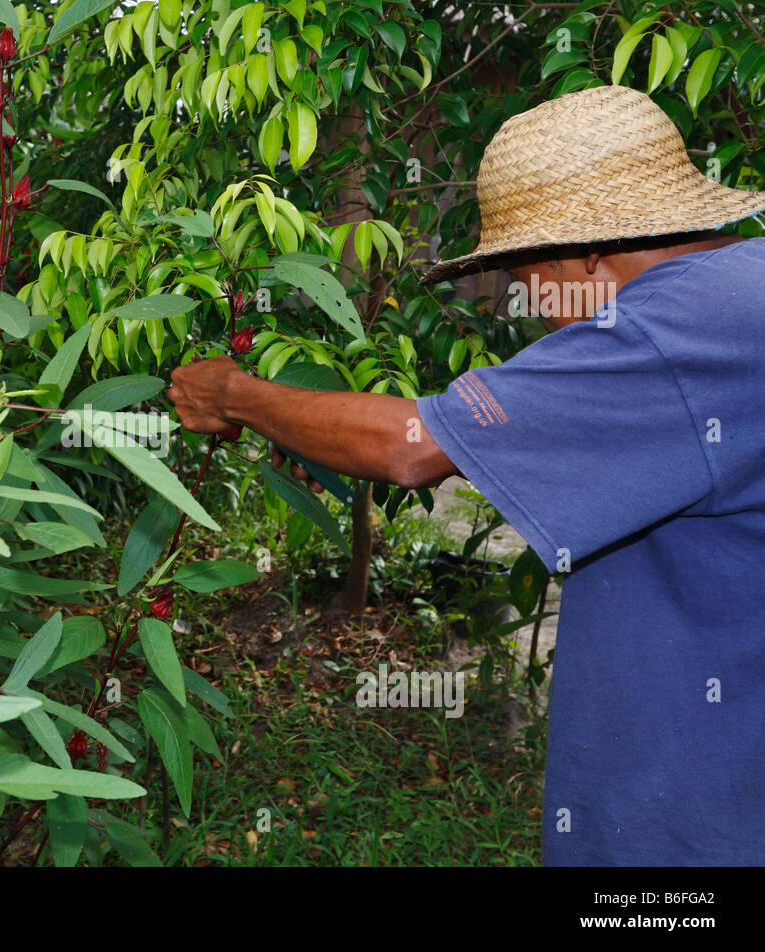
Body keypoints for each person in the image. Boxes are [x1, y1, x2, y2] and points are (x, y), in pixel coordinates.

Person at [165, 84, 765, 866]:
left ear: (584, 252)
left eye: (525, 273)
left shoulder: (667, 332)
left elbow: (409, 448)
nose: (531, 304)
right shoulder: (744, 285)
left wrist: (236, 396)